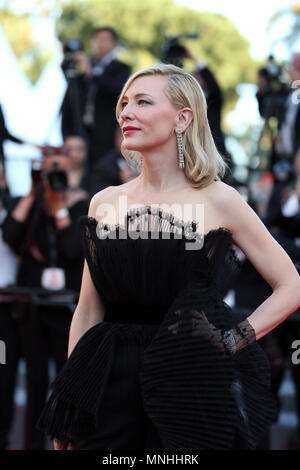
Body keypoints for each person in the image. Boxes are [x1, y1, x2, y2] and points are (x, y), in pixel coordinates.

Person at [38, 64, 300, 451]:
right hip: (109, 379)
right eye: (124, 102)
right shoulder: (105, 202)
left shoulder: (219, 199)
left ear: (183, 118)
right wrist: (73, 397)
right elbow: (89, 311)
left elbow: (291, 285)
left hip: (189, 376)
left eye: (143, 102)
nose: (126, 111)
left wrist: (230, 341)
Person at [2, 147, 89, 449]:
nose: (54, 178)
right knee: (35, 382)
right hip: (34, 308)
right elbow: (11, 235)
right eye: (48, 170)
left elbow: (72, 251)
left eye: (59, 171)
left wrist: (60, 209)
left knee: (68, 382)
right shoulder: (31, 203)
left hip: (68, 310)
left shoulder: (82, 204)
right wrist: (31, 195)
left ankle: (68, 442)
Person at [61, 27, 131, 171]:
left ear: (114, 44)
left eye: (104, 40)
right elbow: (71, 82)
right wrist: (67, 56)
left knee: (102, 171)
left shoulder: (121, 68)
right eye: (97, 40)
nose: (100, 43)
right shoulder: (86, 64)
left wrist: (91, 73)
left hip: (106, 133)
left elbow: (116, 90)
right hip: (82, 130)